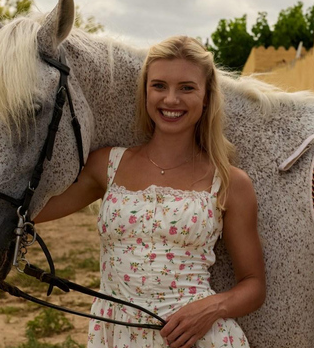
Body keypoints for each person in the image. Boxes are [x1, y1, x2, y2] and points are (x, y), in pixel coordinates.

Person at [34, 35, 265, 348]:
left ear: (207, 96)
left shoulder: (229, 182)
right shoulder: (107, 165)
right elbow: (30, 211)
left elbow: (254, 285)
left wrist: (210, 309)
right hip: (115, 336)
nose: (171, 99)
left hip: (195, 338)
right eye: (159, 86)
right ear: (145, 92)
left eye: (187, 87)